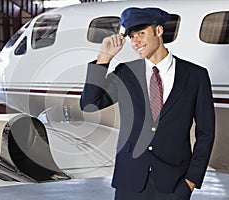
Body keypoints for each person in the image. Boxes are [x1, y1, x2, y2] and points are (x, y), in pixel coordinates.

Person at [80, 7, 215, 200]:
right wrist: (104, 58)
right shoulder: (126, 72)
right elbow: (89, 104)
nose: (136, 42)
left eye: (141, 34)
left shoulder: (195, 76)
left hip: (174, 184)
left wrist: (191, 181)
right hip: (130, 182)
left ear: (159, 31)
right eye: (132, 36)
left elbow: (206, 133)